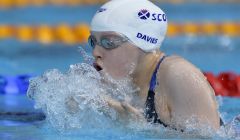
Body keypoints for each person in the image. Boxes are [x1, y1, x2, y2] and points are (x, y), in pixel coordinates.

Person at [88, 0, 221, 131]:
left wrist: (143, 129)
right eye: (93, 41)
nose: (95, 52)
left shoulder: (179, 75)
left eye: (109, 42)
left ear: (141, 43)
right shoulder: (124, 81)